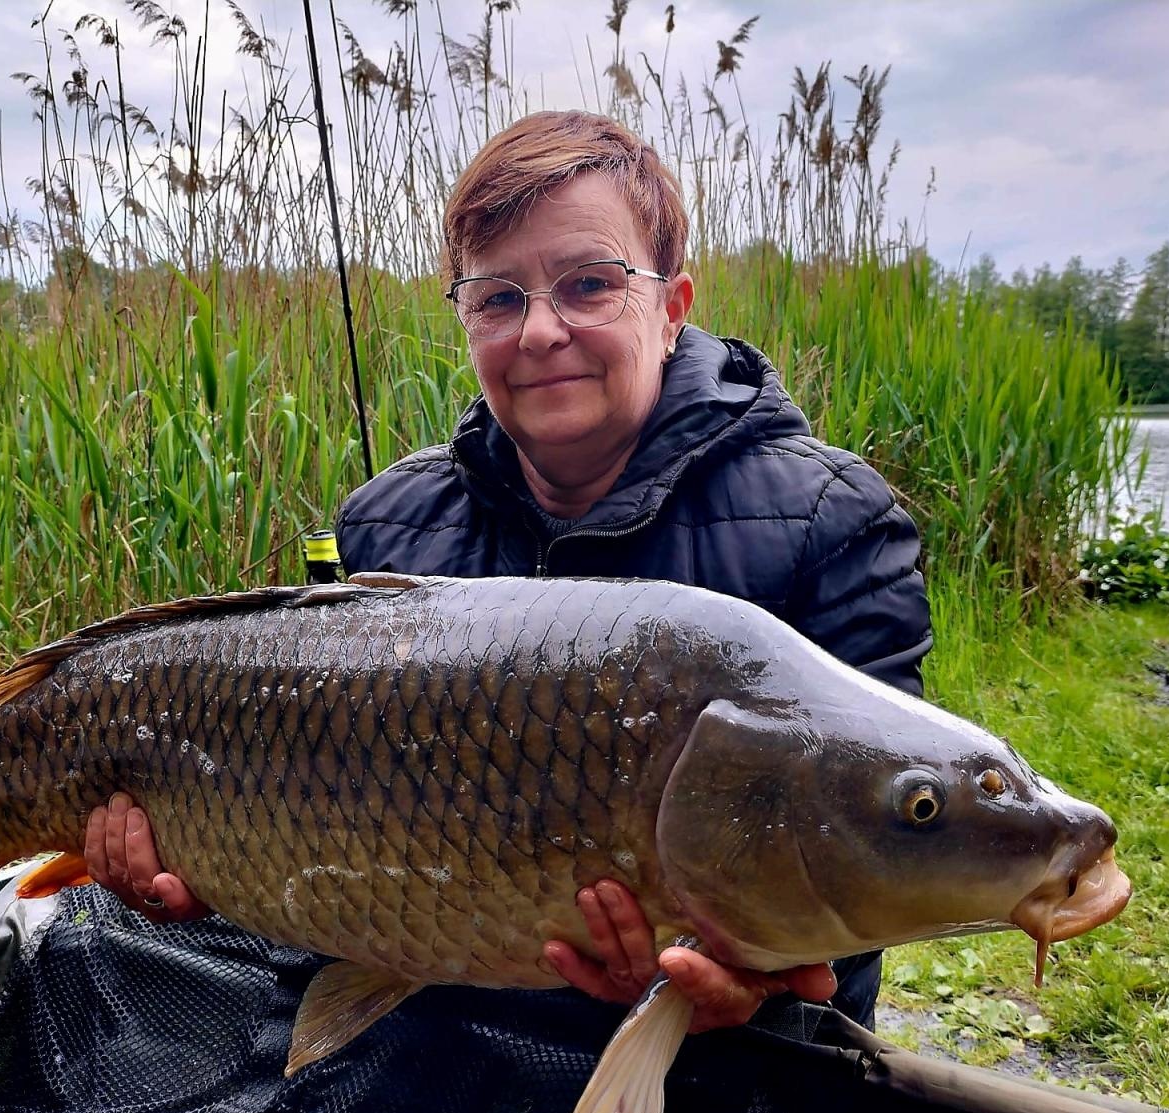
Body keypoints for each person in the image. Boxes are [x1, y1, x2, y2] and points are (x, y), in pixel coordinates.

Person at [86, 110, 931, 1040]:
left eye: (589, 284)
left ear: (672, 307)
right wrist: (202, 876)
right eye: (497, 299)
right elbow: (316, 850)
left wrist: (752, 991)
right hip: (438, 1040)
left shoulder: (833, 524)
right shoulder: (385, 526)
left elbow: (880, 852)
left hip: (738, 1069)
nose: (540, 331)